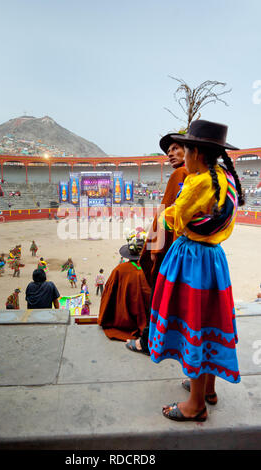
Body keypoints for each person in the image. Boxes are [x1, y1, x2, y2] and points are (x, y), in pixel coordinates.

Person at [148, 120, 244, 422]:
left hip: (191, 260)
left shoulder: (197, 181)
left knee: (194, 325)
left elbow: (177, 218)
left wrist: (166, 213)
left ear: (196, 154)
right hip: (214, 259)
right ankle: (208, 389)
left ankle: (195, 405)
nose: (182, 157)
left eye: (185, 150)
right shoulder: (224, 176)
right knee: (209, 321)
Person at [126, 133, 188, 355]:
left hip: (169, 249)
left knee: (158, 296)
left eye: (175, 148)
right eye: (168, 151)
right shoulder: (198, 175)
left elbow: (165, 216)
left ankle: (146, 341)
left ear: (188, 150)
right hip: (187, 249)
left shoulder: (180, 174)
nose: (170, 154)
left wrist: (155, 249)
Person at [97, 229, 151, 341]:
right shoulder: (154, 269)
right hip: (152, 324)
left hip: (125, 323)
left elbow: (108, 297)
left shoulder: (119, 270)